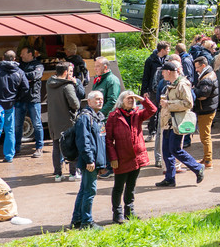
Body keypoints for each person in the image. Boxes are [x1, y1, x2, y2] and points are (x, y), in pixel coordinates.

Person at [105, 90, 156, 223]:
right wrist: (113, 158)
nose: (131, 100)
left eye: (132, 99)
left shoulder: (137, 114)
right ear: (121, 101)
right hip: (121, 157)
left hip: (137, 157)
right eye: (128, 98)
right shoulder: (113, 116)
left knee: (131, 186)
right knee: (118, 187)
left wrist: (141, 99)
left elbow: (153, 110)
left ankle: (129, 212)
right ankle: (117, 214)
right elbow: (108, 139)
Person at [156, 62, 205, 187]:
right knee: (166, 151)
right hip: (168, 123)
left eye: (163, 71)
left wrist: (168, 104)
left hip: (177, 123)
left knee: (175, 149)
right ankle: (170, 178)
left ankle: (197, 167)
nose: (162, 74)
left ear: (168, 72)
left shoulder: (182, 84)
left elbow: (188, 103)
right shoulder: (171, 84)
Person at [69, 92, 108, 229]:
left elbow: (101, 141)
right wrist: (89, 160)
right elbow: (83, 141)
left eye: (101, 99)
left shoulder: (99, 117)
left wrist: (103, 163)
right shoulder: (85, 118)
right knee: (90, 191)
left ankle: (77, 220)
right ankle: (87, 222)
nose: (100, 101)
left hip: (95, 160)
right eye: (97, 99)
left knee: (84, 190)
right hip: (89, 161)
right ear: (89, 102)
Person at [0, 49, 27, 162]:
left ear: (3, 58)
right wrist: (16, 98)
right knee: (9, 130)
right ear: (14, 59)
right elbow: (25, 88)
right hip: (9, 105)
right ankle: (9, 155)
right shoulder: (19, 72)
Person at [46, 62, 83, 182]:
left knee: (56, 147)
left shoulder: (49, 83)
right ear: (66, 72)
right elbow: (75, 104)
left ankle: (58, 174)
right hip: (68, 121)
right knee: (71, 145)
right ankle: (73, 173)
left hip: (53, 121)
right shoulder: (67, 86)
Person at [18, 46, 46, 158]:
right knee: (18, 125)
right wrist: (27, 78)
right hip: (20, 98)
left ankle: (39, 147)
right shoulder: (19, 65)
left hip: (34, 99)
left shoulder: (38, 65)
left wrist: (22, 76)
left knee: (37, 124)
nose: (21, 55)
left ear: (30, 54)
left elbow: (36, 75)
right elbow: (17, 76)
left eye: (23, 53)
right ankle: (16, 147)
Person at [192, 56, 218, 168]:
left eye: (197, 67)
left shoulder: (207, 78)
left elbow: (203, 95)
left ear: (203, 65)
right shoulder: (209, 74)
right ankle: (206, 158)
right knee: (205, 135)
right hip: (208, 108)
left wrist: (193, 90)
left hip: (206, 110)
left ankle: (208, 159)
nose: (196, 70)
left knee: (205, 136)